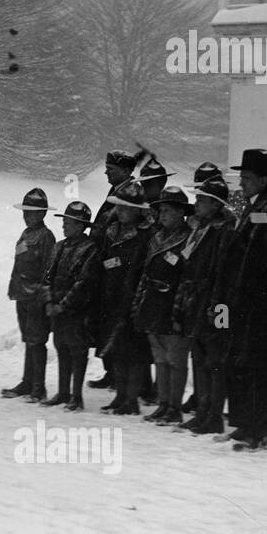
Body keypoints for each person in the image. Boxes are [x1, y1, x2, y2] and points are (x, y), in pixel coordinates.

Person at [216, 148, 267, 451]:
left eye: (247, 178)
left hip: (260, 308)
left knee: (258, 368)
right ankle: (243, 424)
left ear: (264, 180)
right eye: (241, 177)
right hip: (241, 305)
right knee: (239, 364)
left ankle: (258, 431)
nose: (241, 183)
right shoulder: (254, 207)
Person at [173, 175, 233, 435]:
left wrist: (217, 306)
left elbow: (223, 271)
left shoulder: (226, 231)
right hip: (196, 301)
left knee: (215, 358)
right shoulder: (200, 228)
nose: (196, 204)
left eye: (202, 200)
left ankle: (214, 415)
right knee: (199, 355)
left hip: (218, 304)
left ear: (216, 204)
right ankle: (203, 411)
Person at [134, 186, 193, 425]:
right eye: (160, 211)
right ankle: (163, 404)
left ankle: (175, 407)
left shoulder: (190, 237)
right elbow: (146, 271)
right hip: (153, 302)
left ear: (181, 212)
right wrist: (139, 301)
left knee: (176, 358)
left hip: (174, 302)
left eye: (168, 210)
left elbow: (187, 275)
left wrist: (181, 307)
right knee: (160, 357)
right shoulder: (156, 237)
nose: (162, 215)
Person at [95, 182, 154, 415]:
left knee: (135, 352)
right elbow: (104, 261)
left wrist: (136, 298)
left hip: (134, 299)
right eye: (119, 207)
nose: (121, 211)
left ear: (138, 210)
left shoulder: (147, 235)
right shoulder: (111, 232)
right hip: (111, 296)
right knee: (117, 350)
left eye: (127, 207)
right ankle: (120, 395)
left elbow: (144, 269)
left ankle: (132, 398)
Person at [42, 201, 100, 411]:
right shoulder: (59, 246)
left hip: (77, 311)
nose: (64, 225)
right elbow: (47, 276)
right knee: (62, 348)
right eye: (65, 221)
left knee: (77, 351)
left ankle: (76, 395)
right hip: (57, 308)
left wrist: (63, 305)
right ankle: (63, 391)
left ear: (80, 225)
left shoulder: (90, 249)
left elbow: (84, 283)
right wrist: (49, 301)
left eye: (69, 222)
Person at [0, 188, 56, 403]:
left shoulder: (46, 237)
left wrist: (42, 296)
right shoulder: (27, 234)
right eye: (25, 211)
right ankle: (28, 381)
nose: (26, 216)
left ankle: (38, 387)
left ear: (42, 213)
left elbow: (48, 269)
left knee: (37, 341)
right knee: (29, 340)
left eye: (31, 212)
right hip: (22, 295)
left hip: (35, 297)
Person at [88, 150, 136, 391]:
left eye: (112, 169)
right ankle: (111, 371)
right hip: (104, 262)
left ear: (127, 171)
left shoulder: (129, 193)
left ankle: (120, 375)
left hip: (117, 264)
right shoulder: (115, 190)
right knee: (105, 322)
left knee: (116, 323)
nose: (106, 172)